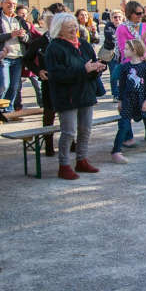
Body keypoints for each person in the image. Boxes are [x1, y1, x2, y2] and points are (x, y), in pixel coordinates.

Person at [44, 12, 107, 180]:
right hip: (67, 96)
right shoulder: (54, 48)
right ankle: (64, 165)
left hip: (85, 92)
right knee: (69, 132)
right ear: (59, 29)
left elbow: (91, 64)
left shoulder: (84, 44)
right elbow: (57, 75)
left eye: (74, 25)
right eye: (69, 27)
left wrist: (97, 68)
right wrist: (84, 70)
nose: (74, 29)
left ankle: (81, 160)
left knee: (85, 129)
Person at [110, 39, 146, 164]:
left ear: (134, 51)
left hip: (143, 99)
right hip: (128, 100)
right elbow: (122, 85)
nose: (123, 51)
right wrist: (120, 100)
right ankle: (116, 151)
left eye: (126, 49)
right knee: (124, 125)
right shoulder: (125, 67)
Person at [23, 4, 66, 156]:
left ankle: (72, 144)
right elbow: (26, 60)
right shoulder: (40, 41)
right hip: (48, 84)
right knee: (49, 115)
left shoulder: (69, 40)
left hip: (67, 84)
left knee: (68, 115)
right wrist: (37, 71)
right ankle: (48, 146)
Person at [0, 0, 29, 113]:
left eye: (13, 3)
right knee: (4, 85)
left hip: (18, 57)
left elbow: (28, 38)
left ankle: (8, 110)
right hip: (3, 57)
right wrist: (10, 34)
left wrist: (23, 36)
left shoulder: (19, 19)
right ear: (2, 4)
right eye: (8, 3)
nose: (11, 5)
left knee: (14, 87)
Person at [104, 10, 124, 100]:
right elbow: (110, 38)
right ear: (111, 18)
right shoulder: (108, 26)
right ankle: (115, 94)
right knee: (114, 74)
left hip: (123, 54)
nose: (117, 19)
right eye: (115, 17)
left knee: (124, 74)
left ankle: (122, 92)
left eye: (119, 17)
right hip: (112, 54)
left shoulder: (125, 26)